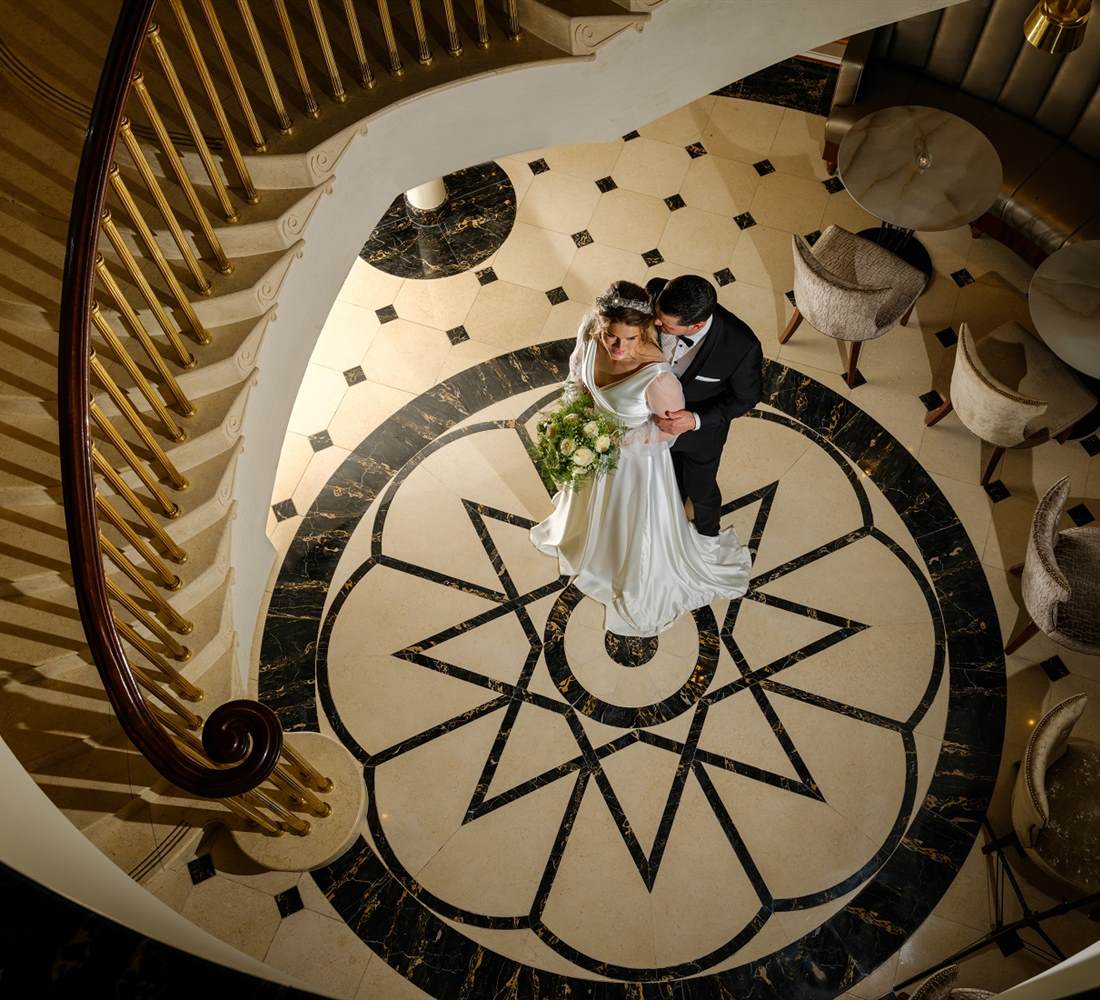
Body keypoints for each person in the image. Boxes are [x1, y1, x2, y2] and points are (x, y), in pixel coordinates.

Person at [530, 280, 751, 637]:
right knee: (589, 504)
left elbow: (669, 429)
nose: (618, 347)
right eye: (612, 337)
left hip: (635, 462)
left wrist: (610, 441)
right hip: (597, 447)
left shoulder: (662, 375)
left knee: (646, 512)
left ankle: (668, 548)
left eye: (630, 339)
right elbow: (576, 377)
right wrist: (577, 418)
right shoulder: (593, 329)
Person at [645, 275, 763, 538]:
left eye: (665, 325)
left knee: (701, 488)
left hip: (699, 436)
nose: (655, 323)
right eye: (657, 315)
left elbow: (746, 398)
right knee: (662, 478)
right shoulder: (656, 291)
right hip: (649, 423)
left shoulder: (741, 346)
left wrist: (694, 420)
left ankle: (709, 533)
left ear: (696, 325)